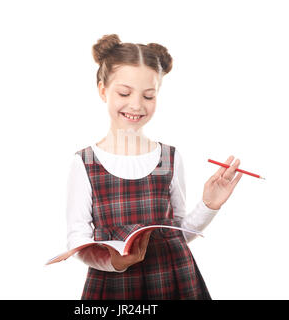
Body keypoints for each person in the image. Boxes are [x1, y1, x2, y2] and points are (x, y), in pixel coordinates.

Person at [65, 34, 243, 299]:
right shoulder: (85, 162)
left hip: (173, 281)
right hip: (116, 288)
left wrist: (209, 204)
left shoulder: (168, 158)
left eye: (149, 96)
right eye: (124, 93)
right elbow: (78, 240)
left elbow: (179, 233)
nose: (136, 105)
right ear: (102, 89)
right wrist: (115, 262)